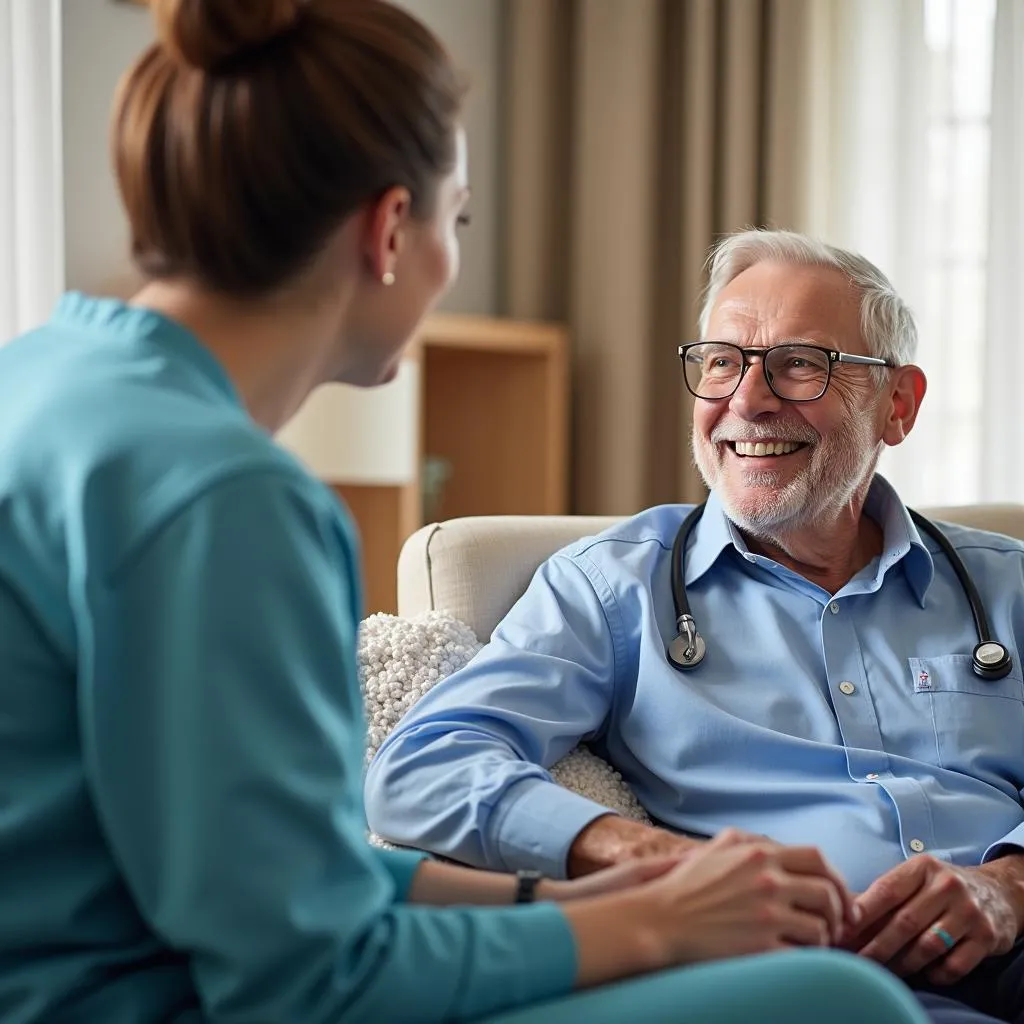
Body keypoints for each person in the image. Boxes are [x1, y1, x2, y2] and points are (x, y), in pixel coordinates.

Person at [0, 2, 931, 1023]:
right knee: (841, 1002)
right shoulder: (225, 498)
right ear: (392, 229)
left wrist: (576, 900)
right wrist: (649, 926)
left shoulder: (44, 380)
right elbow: (309, 975)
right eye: (462, 217)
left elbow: (281, 883)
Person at [365, 227, 1024, 1024]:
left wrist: (1007, 885)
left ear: (899, 404)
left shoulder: (1007, 583)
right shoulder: (611, 586)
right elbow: (422, 767)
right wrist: (661, 864)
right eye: (721, 361)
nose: (747, 399)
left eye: (799, 364)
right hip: (806, 990)